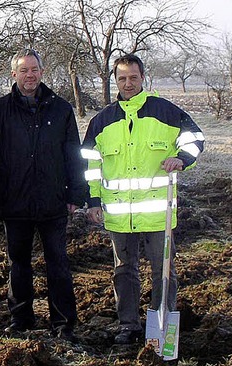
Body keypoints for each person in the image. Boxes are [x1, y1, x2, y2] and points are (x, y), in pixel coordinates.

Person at [81, 54, 205, 344]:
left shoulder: (166, 112)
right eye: (122, 78)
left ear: (143, 78)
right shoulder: (101, 121)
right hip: (119, 215)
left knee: (163, 270)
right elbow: (89, 164)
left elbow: (196, 138)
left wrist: (182, 159)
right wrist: (94, 201)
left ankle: (162, 319)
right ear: (115, 81)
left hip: (157, 211)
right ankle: (129, 324)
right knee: (124, 270)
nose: (128, 83)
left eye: (133, 77)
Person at [0, 48, 86, 343]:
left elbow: (73, 156)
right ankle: (20, 320)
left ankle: (64, 324)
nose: (30, 75)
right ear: (13, 74)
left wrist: (76, 193)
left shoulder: (61, 109)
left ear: (42, 72)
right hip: (14, 202)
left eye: (34, 70)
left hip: (53, 201)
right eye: (23, 70)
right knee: (18, 263)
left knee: (58, 263)